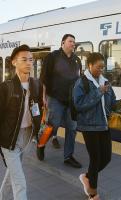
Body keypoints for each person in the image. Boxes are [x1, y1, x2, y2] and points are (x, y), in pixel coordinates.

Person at [73, 53, 121, 200]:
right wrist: (99, 91)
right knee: (95, 159)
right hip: (89, 127)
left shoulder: (105, 82)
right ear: (90, 65)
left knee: (106, 158)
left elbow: (111, 104)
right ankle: (92, 193)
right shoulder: (81, 83)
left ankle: (87, 177)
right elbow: (79, 105)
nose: (101, 70)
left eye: (103, 67)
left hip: (104, 125)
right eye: (99, 67)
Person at [0, 45, 42, 200]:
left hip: (27, 135)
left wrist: (38, 128)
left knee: (13, 173)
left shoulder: (36, 84)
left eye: (31, 59)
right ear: (14, 62)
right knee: (20, 182)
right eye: (24, 59)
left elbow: (37, 108)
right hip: (10, 138)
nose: (29, 63)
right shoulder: (6, 87)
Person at [38, 34, 82, 168]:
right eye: (70, 41)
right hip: (55, 98)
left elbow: (79, 79)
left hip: (71, 101)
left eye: (74, 42)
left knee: (72, 128)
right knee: (52, 126)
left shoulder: (76, 60)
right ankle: (41, 144)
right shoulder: (52, 57)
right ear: (63, 42)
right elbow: (44, 78)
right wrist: (43, 97)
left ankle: (68, 156)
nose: (73, 44)